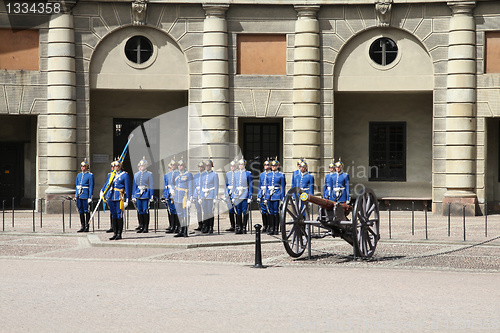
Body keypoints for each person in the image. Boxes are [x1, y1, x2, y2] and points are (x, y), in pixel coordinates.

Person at [101, 158, 131, 240]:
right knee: (113, 215)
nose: (115, 167)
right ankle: (114, 232)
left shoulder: (125, 175)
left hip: (119, 197)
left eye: (117, 166)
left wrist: (127, 200)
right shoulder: (110, 175)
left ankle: (119, 233)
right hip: (111, 196)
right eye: (114, 166)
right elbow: (107, 184)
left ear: (120, 166)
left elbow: (127, 188)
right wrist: (102, 191)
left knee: (119, 215)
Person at [132, 157, 154, 233]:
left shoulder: (149, 174)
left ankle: (146, 227)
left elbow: (151, 185)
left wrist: (151, 195)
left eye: (143, 166)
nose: (141, 167)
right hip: (138, 194)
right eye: (140, 166)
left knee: (145, 210)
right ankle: (141, 225)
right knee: (140, 210)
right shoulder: (136, 175)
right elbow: (134, 186)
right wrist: (133, 195)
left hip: (145, 194)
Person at [173, 158, 193, 237]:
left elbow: (191, 186)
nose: (180, 167)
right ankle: (181, 229)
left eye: (181, 165)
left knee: (186, 214)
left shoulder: (188, 174)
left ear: (184, 166)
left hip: (185, 197)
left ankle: (186, 230)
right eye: (179, 165)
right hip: (177, 197)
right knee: (179, 214)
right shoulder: (177, 175)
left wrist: (190, 198)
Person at [265, 158, 285, 235]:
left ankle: (276, 228)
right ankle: (271, 228)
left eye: (275, 166)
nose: (273, 167)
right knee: (270, 212)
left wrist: (282, 198)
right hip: (270, 195)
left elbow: (282, 187)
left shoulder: (281, 175)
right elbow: (267, 186)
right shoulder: (268, 175)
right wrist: (266, 197)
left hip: (277, 194)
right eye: (272, 165)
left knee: (276, 212)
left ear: (278, 166)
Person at [233, 158, 253, 234]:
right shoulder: (236, 174)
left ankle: (244, 227)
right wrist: (233, 196)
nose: (241, 166)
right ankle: (239, 227)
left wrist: (250, 196)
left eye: (242, 164)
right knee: (238, 211)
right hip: (237, 195)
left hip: (245, 194)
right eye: (240, 164)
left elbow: (251, 186)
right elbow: (234, 185)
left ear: (245, 165)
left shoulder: (248, 173)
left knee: (245, 211)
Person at [199, 159, 218, 234]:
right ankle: (205, 226)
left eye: (208, 166)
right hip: (204, 195)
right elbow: (201, 186)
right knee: (205, 212)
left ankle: (210, 227)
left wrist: (215, 197)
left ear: (211, 166)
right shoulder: (203, 175)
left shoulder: (214, 174)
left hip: (210, 194)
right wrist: (200, 196)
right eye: (206, 166)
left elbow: (216, 186)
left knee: (210, 212)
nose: (207, 167)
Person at [75, 158, 94, 233]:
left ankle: (87, 226)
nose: (82, 168)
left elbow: (91, 186)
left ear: (87, 167)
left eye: (84, 166)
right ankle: (82, 226)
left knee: (87, 211)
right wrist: (76, 195)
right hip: (80, 195)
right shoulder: (79, 175)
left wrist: (90, 196)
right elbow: (76, 185)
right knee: (81, 210)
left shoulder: (90, 175)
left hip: (85, 195)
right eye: (82, 166)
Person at [162, 159, 180, 234]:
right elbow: (165, 186)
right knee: (171, 211)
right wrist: (164, 195)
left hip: (176, 194)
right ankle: (172, 226)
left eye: (174, 165)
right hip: (169, 194)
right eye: (171, 165)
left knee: (177, 211)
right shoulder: (167, 175)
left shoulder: (179, 174)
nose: (172, 166)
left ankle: (177, 226)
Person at [256, 158, 271, 232]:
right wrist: (259, 195)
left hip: (269, 193)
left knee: (269, 211)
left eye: (267, 165)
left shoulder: (271, 174)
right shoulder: (262, 174)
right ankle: (265, 225)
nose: (266, 166)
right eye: (265, 165)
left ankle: (269, 225)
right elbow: (259, 185)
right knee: (263, 211)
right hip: (262, 193)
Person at [224, 160, 237, 232]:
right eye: (231, 166)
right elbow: (225, 184)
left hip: (236, 194)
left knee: (237, 210)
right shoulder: (228, 174)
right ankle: (232, 225)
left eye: (234, 166)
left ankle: (238, 225)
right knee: (230, 210)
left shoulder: (238, 174)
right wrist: (226, 195)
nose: (232, 167)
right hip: (229, 193)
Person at [193, 161, 206, 231]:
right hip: (196, 193)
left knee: (204, 210)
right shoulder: (196, 175)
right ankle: (200, 224)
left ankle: (204, 224)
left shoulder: (205, 175)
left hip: (203, 194)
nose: (200, 168)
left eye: (202, 167)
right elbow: (193, 185)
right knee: (198, 210)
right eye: (199, 167)